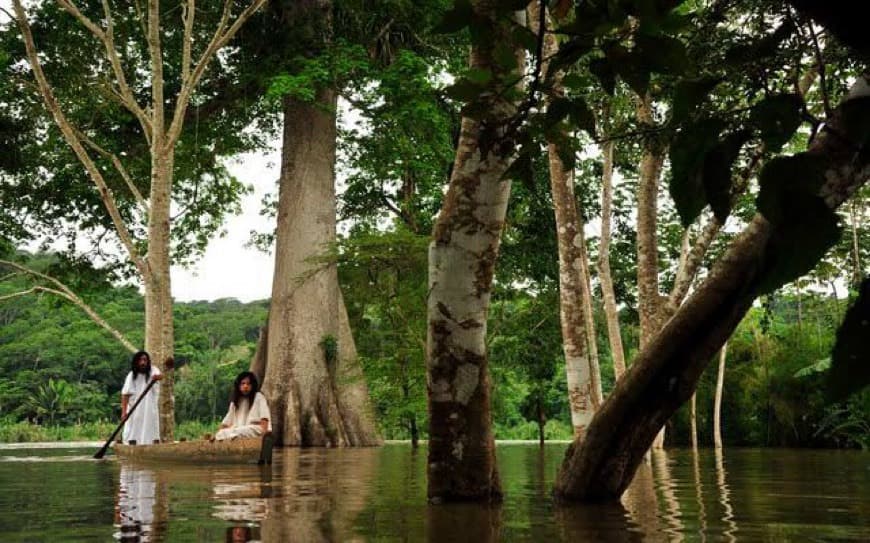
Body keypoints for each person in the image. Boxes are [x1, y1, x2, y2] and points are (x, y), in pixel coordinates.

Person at [215, 372, 271, 441]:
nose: (245, 386)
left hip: (255, 429)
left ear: (252, 386)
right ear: (238, 385)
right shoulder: (235, 401)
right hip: (238, 430)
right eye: (243, 383)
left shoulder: (259, 397)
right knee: (222, 433)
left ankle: (231, 437)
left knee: (240, 431)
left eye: (248, 384)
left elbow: (264, 418)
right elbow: (226, 422)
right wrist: (218, 433)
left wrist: (264, 436)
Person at [121, 350, 162, 445]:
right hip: (134, 410)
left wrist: (157, 377)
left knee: (151, 430)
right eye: (140, 360)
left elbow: (160, 376)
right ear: (136, 362)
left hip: (150, 410)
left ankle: (151, 447)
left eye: (145, 360)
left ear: (148, 361)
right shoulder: (131, 376)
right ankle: (130, 446)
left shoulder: (153, 370)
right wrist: (124, 412)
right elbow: (125, 394)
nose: (143, 362)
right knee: (132, 431)